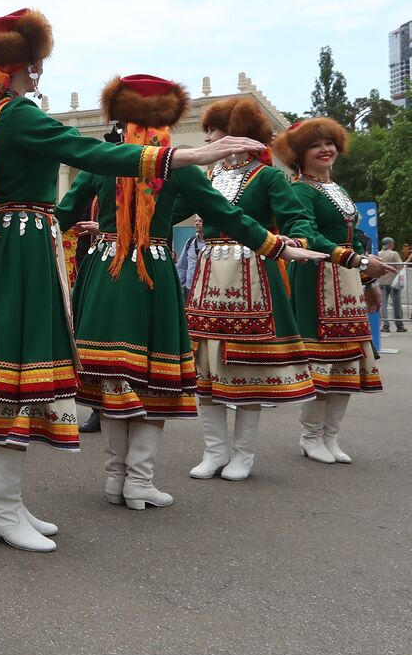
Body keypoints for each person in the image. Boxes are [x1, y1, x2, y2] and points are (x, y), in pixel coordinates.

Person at [0, 11, 266, 552]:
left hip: (22, 242)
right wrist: (189, 154)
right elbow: (90, 153)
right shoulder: (16, 113)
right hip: (22, 246)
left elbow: (87, 169)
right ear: (27, 62)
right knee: (17, 370)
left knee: (19, 371)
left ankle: (5, 501)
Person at [56, 77, 326, 510]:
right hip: (153, 276)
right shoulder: (175, 166)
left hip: (105, 275)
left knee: (114, 376)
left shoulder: (102, 162)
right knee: (154, 378)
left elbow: (61, 216)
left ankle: (115, 478)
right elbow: (228, 215)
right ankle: (138, 482)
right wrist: (278, 247)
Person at [185, 98, 337, 481]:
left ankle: (243, 455)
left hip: (252, 276)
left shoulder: (267, 177)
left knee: (245, 368)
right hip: (208, 277)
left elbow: (298, 217)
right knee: (205, 367)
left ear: (238, 132)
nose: (208, 137)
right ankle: (214, 451)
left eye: (214, 129)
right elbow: (171, 210)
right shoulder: (210, 175)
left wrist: (296, 243)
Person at [274, 119, 392, 465]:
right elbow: (306, 234)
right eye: (316, 145)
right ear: (300, 154)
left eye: (330, 143)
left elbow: (353, 237)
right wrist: (354, 259)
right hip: (316, 278)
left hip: (348, 280)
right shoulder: (299, 190)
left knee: (348, 361)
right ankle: (310, 436)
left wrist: (368, 281)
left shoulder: (335, 189)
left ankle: (330, 436)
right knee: (321, 360)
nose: (326, 150)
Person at [376, 236, 405, 333]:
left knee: (383, 304)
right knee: (396, 304)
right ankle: (399, 325)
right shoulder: (394, 254)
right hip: (393, 283)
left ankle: (385, 325)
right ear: (390, 244)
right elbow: (400, 266)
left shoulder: (378, 253)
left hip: (381, 282)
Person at [175, 218, 205, 303]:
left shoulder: (212, 244)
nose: (197, 223)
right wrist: (179, 285)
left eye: (200, 221)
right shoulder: (190, 242)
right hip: (189, 287)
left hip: (206, 287)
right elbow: (182, 265)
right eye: (195, 221)